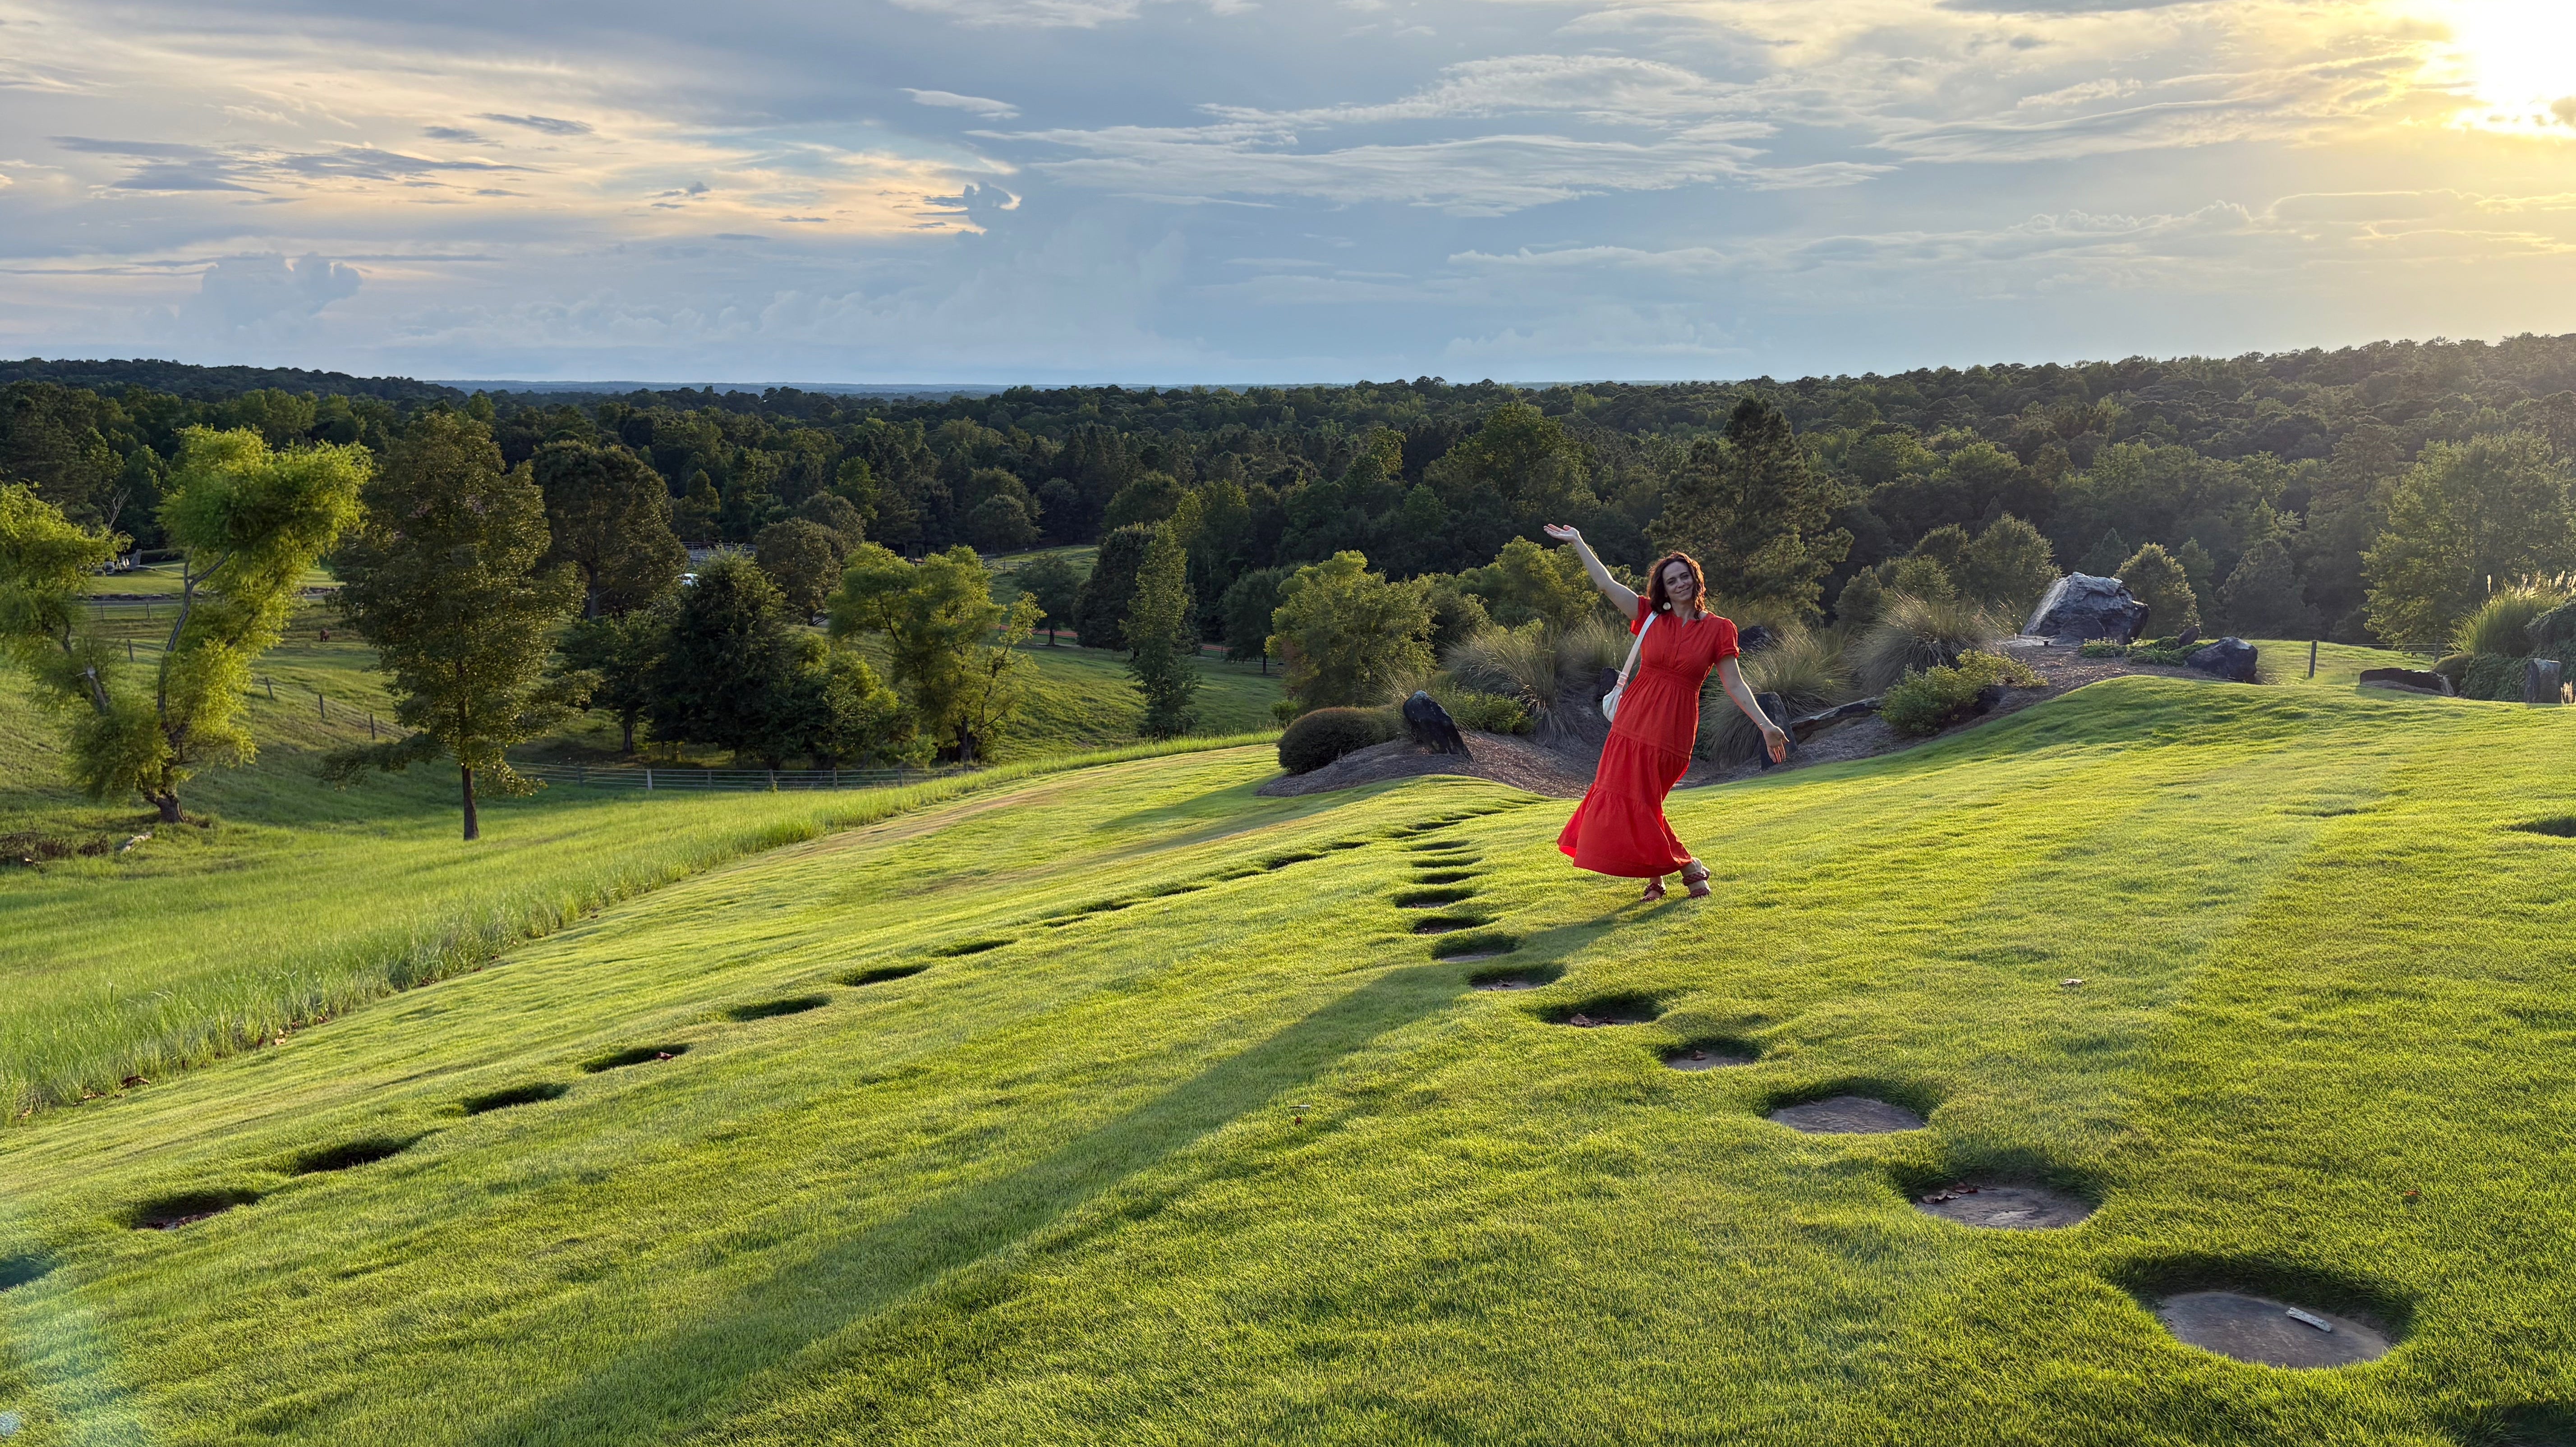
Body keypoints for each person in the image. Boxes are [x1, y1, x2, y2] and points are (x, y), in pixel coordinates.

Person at [1544, 524, 1788, 902]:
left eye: (1684, 576)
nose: (1679, 584)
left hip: (1674, 728)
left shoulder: (1720, 629)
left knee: (1645, 800)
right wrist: (1579, 543)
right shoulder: (1649, 615)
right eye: (1671, 580)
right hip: (1632, 722)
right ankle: (1679, 870)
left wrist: (1766, 725)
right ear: (1664, 587)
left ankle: (1677, 867)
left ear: (1696, 579)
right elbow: (1607, 585)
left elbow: (1735, 684)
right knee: (1631, 796)